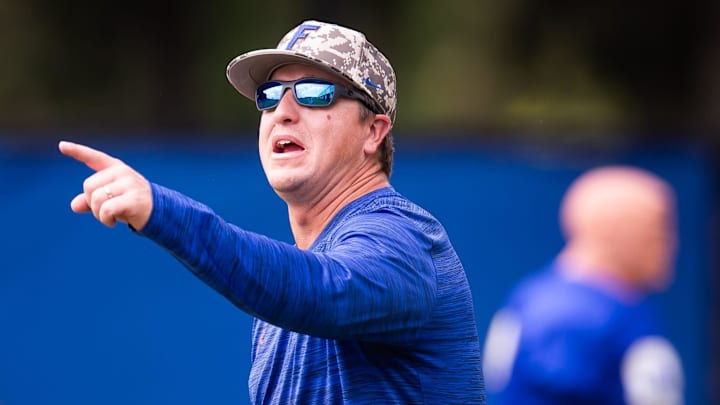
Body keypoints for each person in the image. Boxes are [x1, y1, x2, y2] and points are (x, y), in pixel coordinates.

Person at [59, 20, 487, 404]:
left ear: (373, 132)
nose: (282, 111)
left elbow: (325, 291)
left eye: (314, 93)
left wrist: (163, 212)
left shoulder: (404, 238)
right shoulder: (276, 316)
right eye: (270, 95)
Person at [482, 166, 684, 404]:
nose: (668, 245)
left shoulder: (615, 301)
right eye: (655, 233)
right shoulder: (570, 315)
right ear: (612, 231)